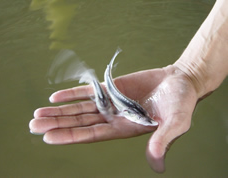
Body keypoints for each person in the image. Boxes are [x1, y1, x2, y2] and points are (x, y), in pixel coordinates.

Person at [29, 0, 228, 173]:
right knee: (106, 81)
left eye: (141, 117)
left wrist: (192, 75)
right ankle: (102, 71)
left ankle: (102, 70)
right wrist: (190, 74)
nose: (144, 119)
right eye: (141, 117)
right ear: (130, 113)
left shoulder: (131, 111)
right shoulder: (127, 110)